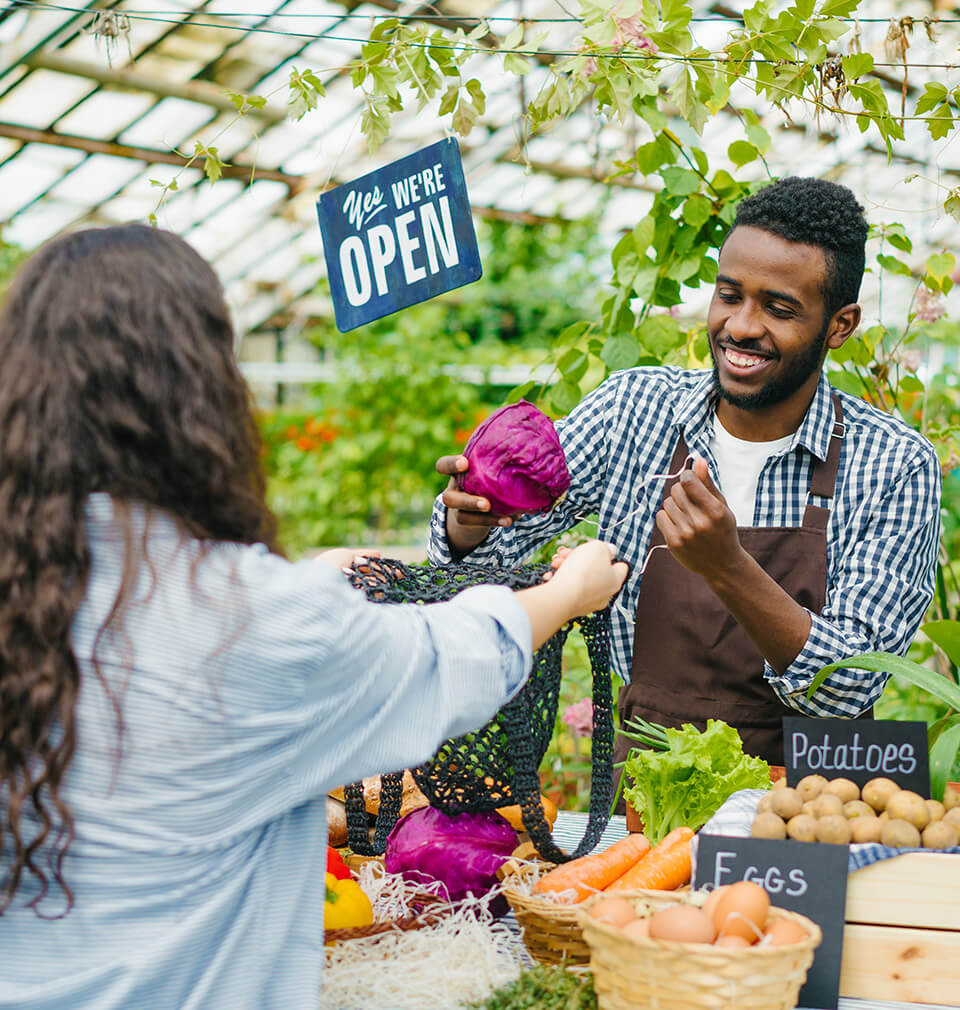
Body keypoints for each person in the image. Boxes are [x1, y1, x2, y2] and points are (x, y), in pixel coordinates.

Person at [0, 224, 628, 1010]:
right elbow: (448, 657)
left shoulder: (34, 593)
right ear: (201, 397)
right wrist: (568, 593)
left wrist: (308, 580)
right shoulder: (251, 619)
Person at [430, 176, 942, 769]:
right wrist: (471, 523)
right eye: (730, 296)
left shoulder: (893, 464)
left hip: (806, 812)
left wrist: (728, 568)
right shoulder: (634, 411)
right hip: (648, 797)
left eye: (779, 309)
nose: (742, 326)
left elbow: (846, 687)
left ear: (840, 325)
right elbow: (480, 564)